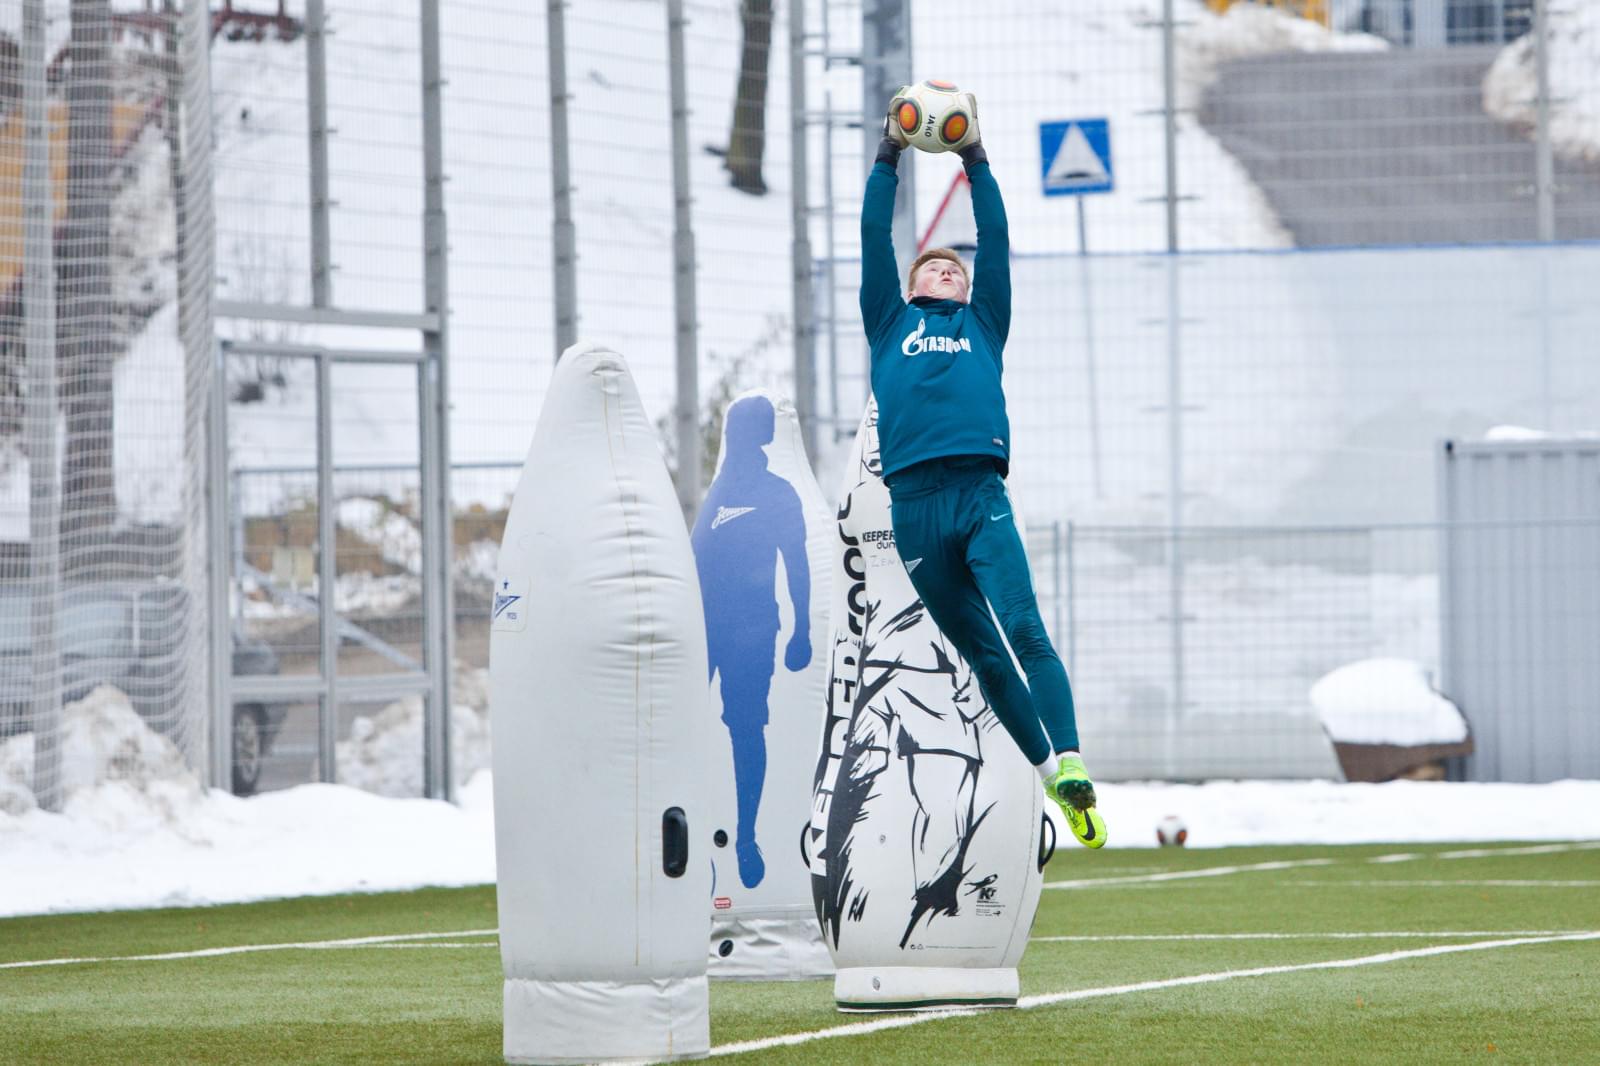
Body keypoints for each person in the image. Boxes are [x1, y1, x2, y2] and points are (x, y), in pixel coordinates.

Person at [859, 88, 1106, 848]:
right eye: (936, 271)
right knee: (983, 653)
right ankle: (1048, 778)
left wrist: (976, 161)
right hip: (914, 507)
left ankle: (1071, 759)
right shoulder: (889, 322)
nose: (951, 275)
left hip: (977, 494)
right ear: (910, 287)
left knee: (1025, 627)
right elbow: (875, 234)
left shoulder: (983, 324)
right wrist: (888, 156)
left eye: (956, 274)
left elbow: (992, 238)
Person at [691, 395, 813, 887]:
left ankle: (745, 835)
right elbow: (696, 561)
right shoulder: (716, 493)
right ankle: (680, 829)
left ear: (760, 436)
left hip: (754, 629)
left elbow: (797, 563)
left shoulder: (777, 492)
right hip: (705, 629)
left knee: (746, 728)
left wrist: (803, 629)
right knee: (683, 723)